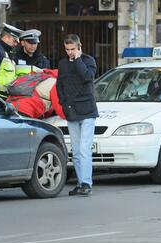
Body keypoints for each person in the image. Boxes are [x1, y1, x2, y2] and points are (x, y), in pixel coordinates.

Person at [56, 34, 99, 196]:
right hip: (71, 110)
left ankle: (87, 183)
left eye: (73, 49)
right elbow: (59, 84)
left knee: (84, 149)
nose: (70, 52)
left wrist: (79, 59)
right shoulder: (63, 63)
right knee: (75, 150)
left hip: (87, 110)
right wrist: (63, 102)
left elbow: (87, 76)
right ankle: (82, 182)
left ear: (79, 47)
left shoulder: (88, 61)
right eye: (67, 49)